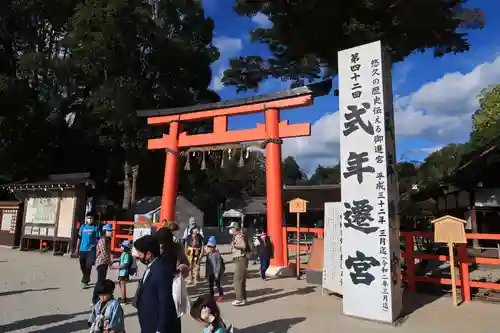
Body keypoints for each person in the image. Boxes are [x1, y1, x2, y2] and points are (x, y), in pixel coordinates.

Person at [133, 235, 180, 333]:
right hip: (148, 323)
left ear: (149, 254)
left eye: (140, 254)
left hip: (155, 325)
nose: (138, 257)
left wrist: (160, 329)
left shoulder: (161, 271)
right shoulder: (152, 267)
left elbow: (166, 302)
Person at [75, 212, 101, 289]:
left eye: (91, 218)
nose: (89, 219)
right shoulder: (83, 227)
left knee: (88, 266)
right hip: (82, 249)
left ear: (93, 219)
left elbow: (98, 240)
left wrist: (98, 250)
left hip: (91, 250)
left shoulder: (95, 228)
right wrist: (76, 248)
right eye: (88, 218)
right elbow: (79, 238)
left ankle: (85, 281)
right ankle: (86, 276)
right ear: (86, 219)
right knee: (82, 266)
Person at [228, 221, 249, 306]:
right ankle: (243, 298)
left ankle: (239, 299)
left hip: (241, 259)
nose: (230, 229)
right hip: (241, 259)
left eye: (231, 228)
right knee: (241, 280)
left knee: (237, 280)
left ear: (235, 228)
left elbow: (243, 245)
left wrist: (235, 245)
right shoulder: (238, 235)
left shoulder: (238, 236)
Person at [92, 223, 113, 305]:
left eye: (111, 231)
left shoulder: (107, 240)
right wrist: (109, 262)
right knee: (100, 282)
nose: (111, 232)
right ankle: (95, 298)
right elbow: (104, 253)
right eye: (109, 231)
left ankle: (99, 297)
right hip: (101, 262)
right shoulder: (102, 240)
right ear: (104, 231)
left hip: (104, 263)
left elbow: (108, 252)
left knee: (101, 281)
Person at [205, 236, 225, 302]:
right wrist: (206, 274)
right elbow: (207, 265)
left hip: (216, 273)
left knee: (218, 285)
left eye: (211, 247)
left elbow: (219, 265)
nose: (209, 248)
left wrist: (217, 273)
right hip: (210, 273)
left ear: (214, 247)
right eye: (209, 246)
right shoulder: (208, 254)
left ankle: (221, 295)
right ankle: (211, 296)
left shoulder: (217, 255)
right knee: (210, 285)